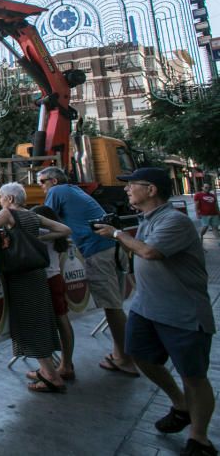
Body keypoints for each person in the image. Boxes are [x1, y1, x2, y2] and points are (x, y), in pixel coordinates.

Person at [95, 167, 216, 456]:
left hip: (182, 313)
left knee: (193, 375)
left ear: (151, 190)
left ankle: (199, 439)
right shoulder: (146, 219)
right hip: (145, 307)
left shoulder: (174, 221)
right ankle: (179, 404)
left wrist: (115, 234)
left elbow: (149, 252)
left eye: (132, 185)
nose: (126, 190)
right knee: (139, 356)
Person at [38, 166, 139, 376]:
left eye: (42, 182)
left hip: (98, 249)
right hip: (111, 246)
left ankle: (127, 360)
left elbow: (45, 221)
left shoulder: (56, 192)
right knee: (115, 305)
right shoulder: (73, 190)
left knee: (111, 306)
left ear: (53, 181)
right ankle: (120, 354)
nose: (40, 187)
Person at [0, 182, 73, 393]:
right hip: (37, 274)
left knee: (29, 322)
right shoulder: (33, 216)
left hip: (21, 277)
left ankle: (50, 375)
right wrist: (38, 238)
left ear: (10, 199)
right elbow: (65, 229)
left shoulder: (8, 213)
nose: (0, 201)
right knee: (40, 319)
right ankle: (47, 368)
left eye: (1, 197)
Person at [31, 204, 76, 381]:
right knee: (63, 321)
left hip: (43, 280)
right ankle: (66, 364)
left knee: (42, 325)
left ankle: (48, 370)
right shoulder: (57, 233)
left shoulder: (41, 232)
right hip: (56, 277)